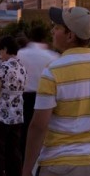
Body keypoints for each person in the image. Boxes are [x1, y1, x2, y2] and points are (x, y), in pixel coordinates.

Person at [22, 6, 90, 176]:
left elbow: (39, 126)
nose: (52, 31)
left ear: (70, 35)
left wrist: (26, 168)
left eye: (57, 27)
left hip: (59, 165)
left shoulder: (53, 71)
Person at [16, 24, 59, 160]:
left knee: (24, 132)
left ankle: (23, 162)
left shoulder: (21, 53)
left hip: (25, 96)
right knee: (44, 130)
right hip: (45, 96)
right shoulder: (53, 56)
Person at [0, 36, 27, 176]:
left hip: (0, 114)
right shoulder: (22, 67)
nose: (0, 56)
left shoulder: (3, 67)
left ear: (5, 49)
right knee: (14, 153)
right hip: (17, 114)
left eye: (0, 52)